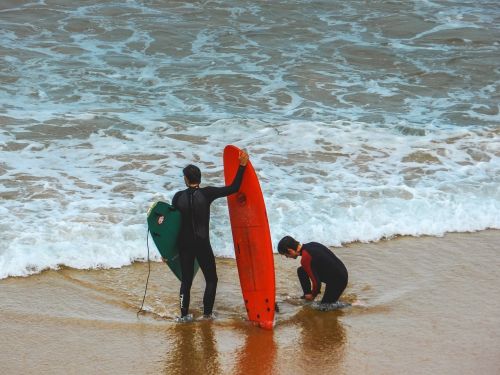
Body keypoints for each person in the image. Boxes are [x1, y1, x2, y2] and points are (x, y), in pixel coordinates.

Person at [172, 150, 249, 321]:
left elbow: (172, 224)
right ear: (199, 179)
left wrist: (168, 251)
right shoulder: (207, 193)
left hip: (184, 245)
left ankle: (184, 316)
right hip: (202, 243)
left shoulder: (178, 197)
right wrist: (242, 167)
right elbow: (234, 188)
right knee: (211, 279)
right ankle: (207, 315)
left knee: (186, 281)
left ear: (186, 179)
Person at [277, 235, 348, 305]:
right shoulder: (311, 245)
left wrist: (313, 295)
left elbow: (317, 284)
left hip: (338, 281)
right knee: (301, 271)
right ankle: (307, 296)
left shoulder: (305, 258)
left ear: (290, 251)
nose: (287, 257)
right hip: (341, 272)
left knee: (324, 308)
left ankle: (351, 305)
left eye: (286, 255)